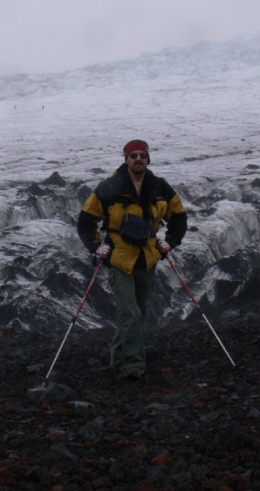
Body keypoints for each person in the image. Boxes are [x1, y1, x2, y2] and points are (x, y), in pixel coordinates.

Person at [77, 140, 187, 379]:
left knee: (138, 312)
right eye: (133, 155)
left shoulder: (160, 188)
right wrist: (97, 246)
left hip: (147, 257)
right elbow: (86, 219)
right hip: (119, 257)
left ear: (148, 159)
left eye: (142, 155)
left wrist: (171, 240)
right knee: (130, 311)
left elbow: (178, 215)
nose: (138, 159)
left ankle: (116, 361)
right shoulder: (110, 187)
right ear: (126, 159)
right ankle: (135, 365)